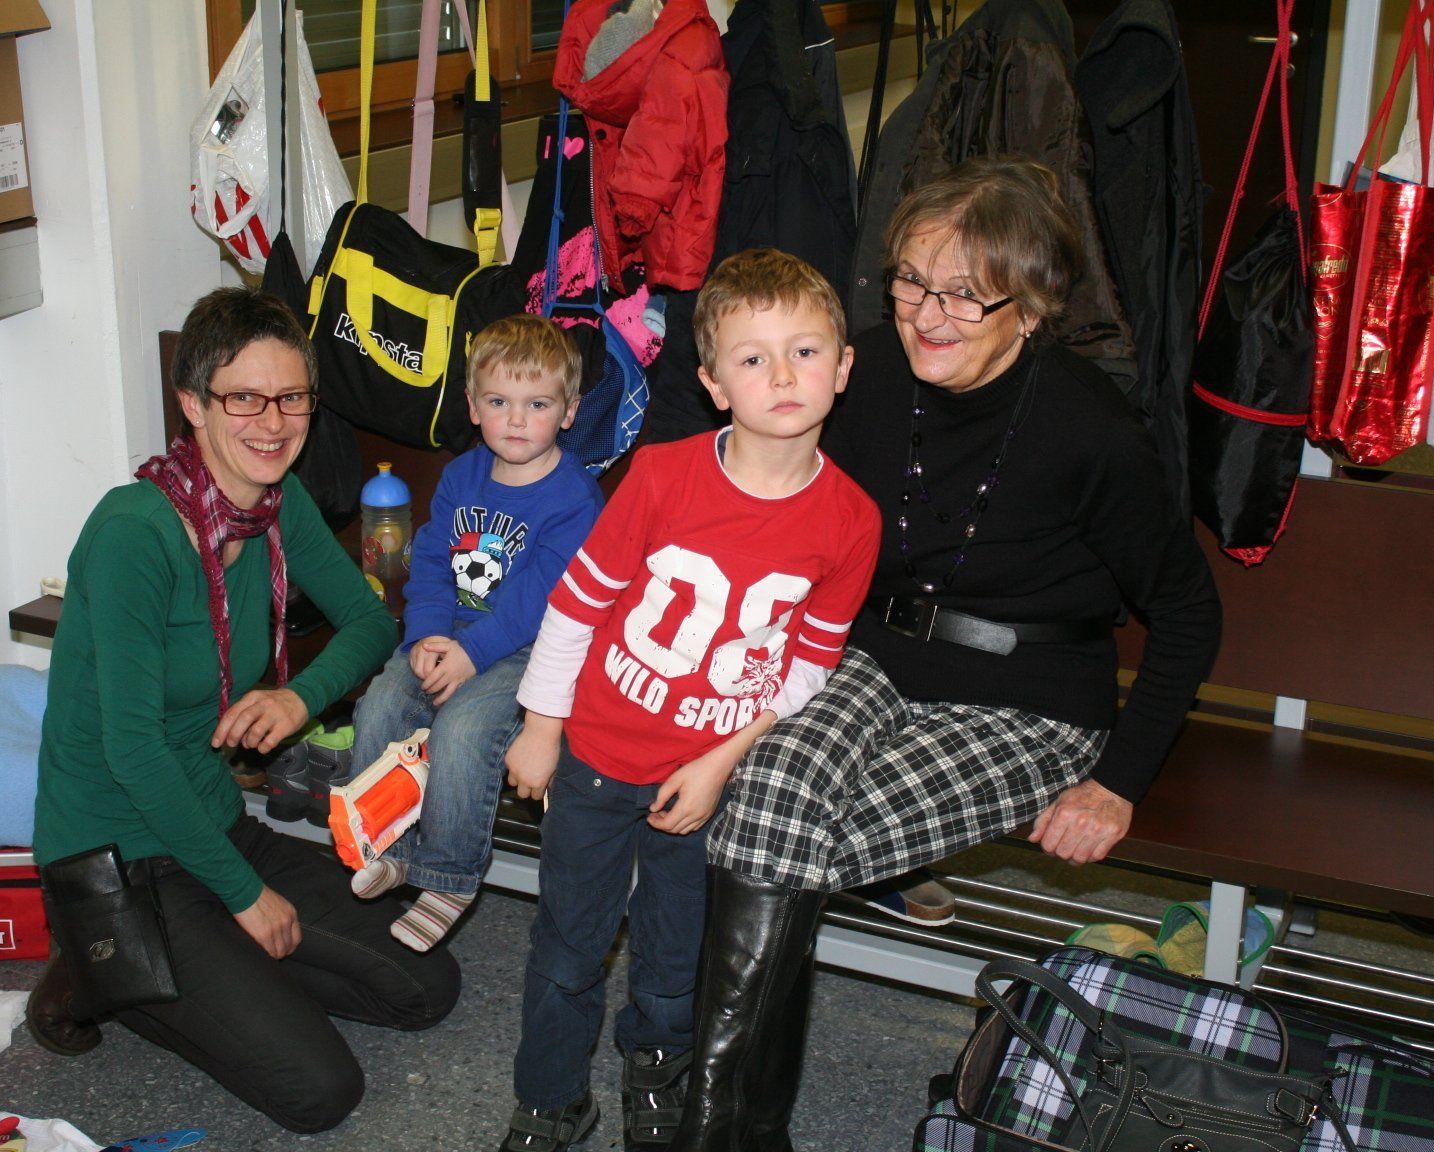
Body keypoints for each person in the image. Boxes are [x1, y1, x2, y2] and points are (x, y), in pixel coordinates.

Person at [669, 158, 1223, 1149]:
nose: (929, 315)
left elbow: (1187, 614)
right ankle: (730, 1130)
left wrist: (1118, 784)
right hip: (871, 653)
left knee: (764, 840)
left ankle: (715, 1128)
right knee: (772, 804)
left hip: (1027, 699)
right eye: (913, 282)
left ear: (1033, 306)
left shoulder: (1092, 430)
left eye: (967, 294)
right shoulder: (869, 372)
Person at [28, 287, 460, 1133]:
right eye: (244, 398)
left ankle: (213, 968)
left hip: (209, 821)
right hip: (118, 857)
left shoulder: (275, 503)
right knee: (320, 1092)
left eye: (292, 396)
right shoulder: (133, 535)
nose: (273, 421)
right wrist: (243, 896)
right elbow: (133, 751)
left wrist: (299, 696)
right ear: (193, 404)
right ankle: (93, 974)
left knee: (425, 986)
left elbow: (373, 621)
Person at [496, 249, 881, 1152]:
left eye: (804, 352)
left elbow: (808, 665)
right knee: (568, 948)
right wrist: (542, 725)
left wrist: (721, 760)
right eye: (752, 358)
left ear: (842, 367)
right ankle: (551, 1101)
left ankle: (656, 1079)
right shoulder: (663, 475)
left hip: (705, 778)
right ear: (713, 384)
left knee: (676, 962)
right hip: (597, 755)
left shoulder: (851, 520)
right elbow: (578, 605)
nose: (781, 376)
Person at [347, 314, 605, 951]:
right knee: (380, 705)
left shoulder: (575, 499)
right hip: (452, 632)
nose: (516, 420)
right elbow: (433, 560)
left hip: (529, 648)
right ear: (472, 405)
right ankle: (387, 848)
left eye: (537, 404)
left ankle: (451, 876)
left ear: (569, 411)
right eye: (498, 402)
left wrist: (470, 653)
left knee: (463, 729)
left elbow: (541, 599)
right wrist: (427, 635)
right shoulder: (462, 476)